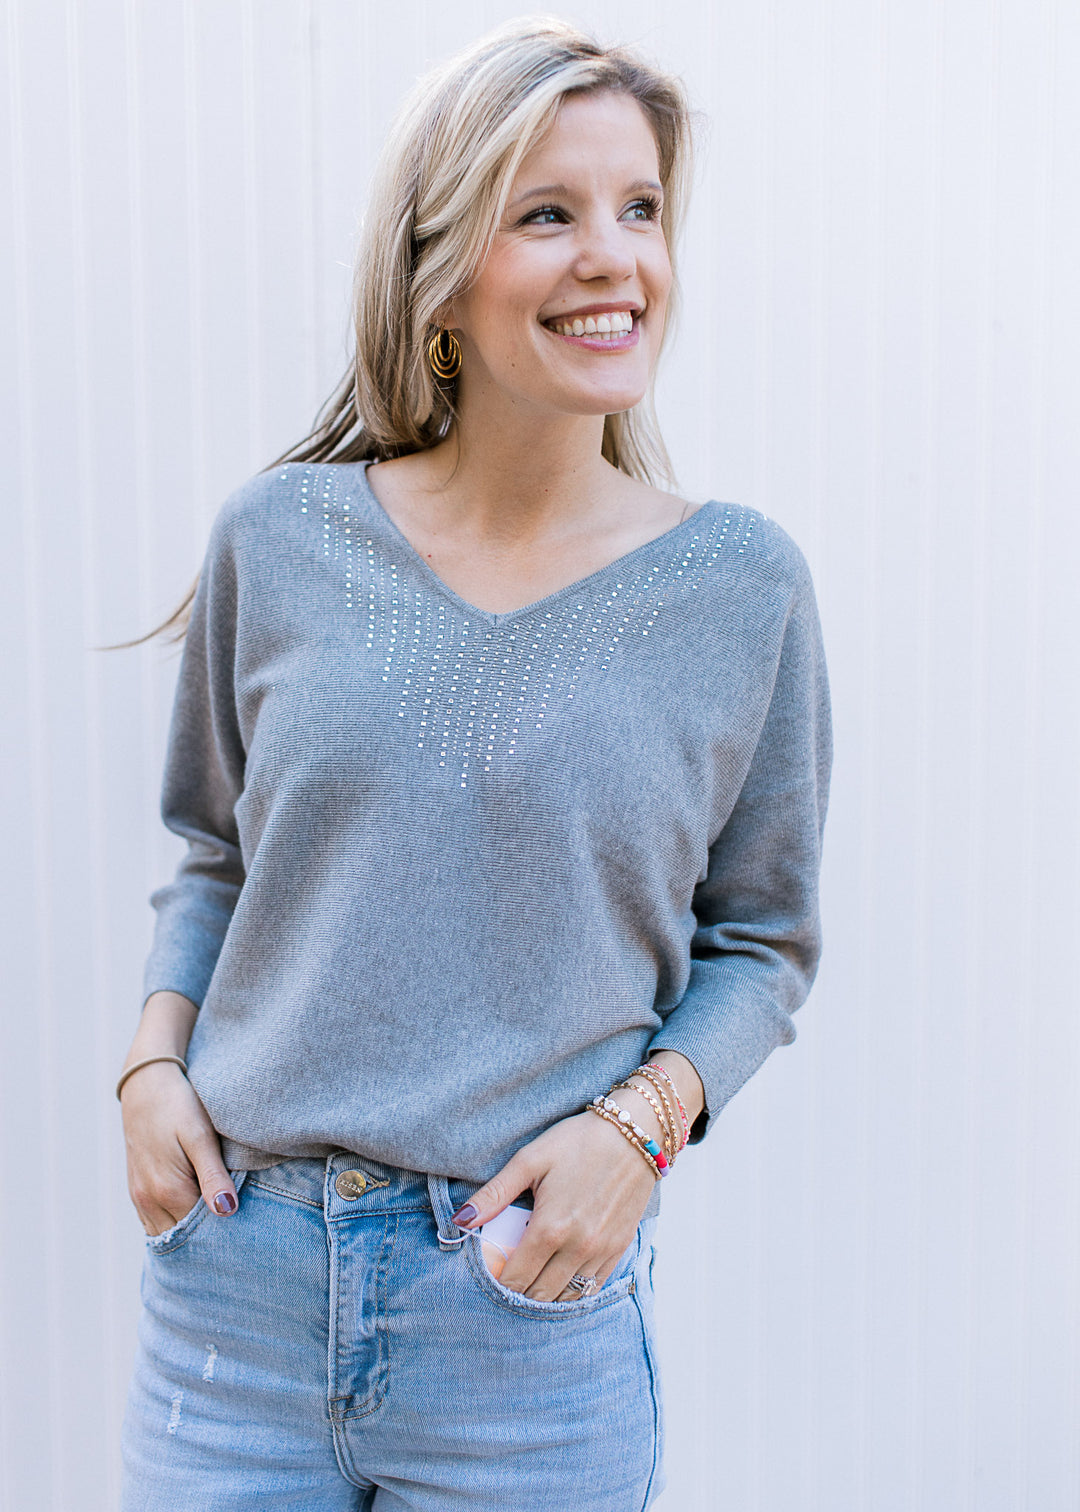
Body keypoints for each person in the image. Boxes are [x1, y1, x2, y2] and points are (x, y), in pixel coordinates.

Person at [117, 16, 832, 1511]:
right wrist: (147, 1069)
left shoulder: (740, 587)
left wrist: (635, 1136)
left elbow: (761, 943)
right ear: (441, 275)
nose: (614, 258)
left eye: (640, 210)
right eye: (548, 213)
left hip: (521, 1303)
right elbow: (217, 858)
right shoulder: (281, 538)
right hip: (234, 1287)